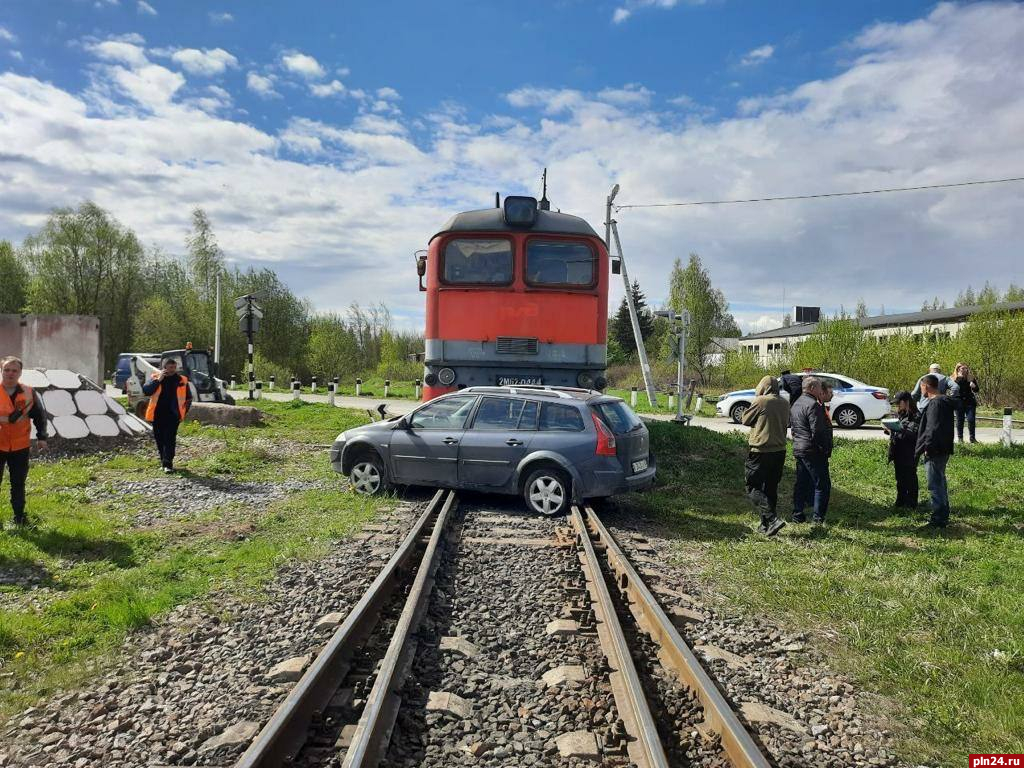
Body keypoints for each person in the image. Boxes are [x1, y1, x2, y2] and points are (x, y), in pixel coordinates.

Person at [0, 356, 48, 529]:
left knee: (18, 483)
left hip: (20, 445)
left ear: (20, 373)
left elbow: (39, 415)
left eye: (14, 370)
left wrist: (42, 437)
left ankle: (19, 517)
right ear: (1, 371)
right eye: (7, 369)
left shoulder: (29, 392)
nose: (10, 373)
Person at [741, 375, 789, 536]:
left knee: (752, 486)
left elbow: (745, 420)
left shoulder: (761, 401)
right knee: (770, 488)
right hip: (780, 451)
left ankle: (772, 519)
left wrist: (757, 398)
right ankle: (766, 525)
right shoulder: (784, 402)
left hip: (761, 451)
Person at [915, 374, 957, 528]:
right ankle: (943, 514)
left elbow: (932, 428)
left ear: (926, 386)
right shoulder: (945, 402)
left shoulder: (935, 403)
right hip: (944, 448)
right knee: (940, 481)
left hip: (935, 450)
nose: (921, 391)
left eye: (921, 387)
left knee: (935, 484)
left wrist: (927, 447)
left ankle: (938, 519)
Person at [791, 376, 832, 525]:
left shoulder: (796, 403)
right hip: (812, 450)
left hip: (799, 449)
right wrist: (824, 448)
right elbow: (818, 431)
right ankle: (818, 518)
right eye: (820, 388)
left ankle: (797, 514)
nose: (822, 391)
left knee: (801, 483)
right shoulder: (813, 405)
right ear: (813, 388)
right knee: (822, 485)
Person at [141, 357, 192, 473]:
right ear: (164, 368)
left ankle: (168, 464)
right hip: (157, 415)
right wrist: (159, 379)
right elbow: (146, 391)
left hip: (173, 415)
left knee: (169, 439)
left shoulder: (182, 380)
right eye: (170, 367)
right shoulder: (155, 377)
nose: (173, 370)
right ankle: (163, 461)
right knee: (160, 439)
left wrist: (183, 411)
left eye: (174, 367)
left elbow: (188, 398)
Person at [884, 391, 921, 508]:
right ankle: (900, 500)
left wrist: (896, 430)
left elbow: (912, 434)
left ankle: (911, 503)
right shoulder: (901, 413)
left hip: (909, 451)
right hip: (898, 450)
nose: (897, 406)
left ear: (906, 402)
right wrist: (890, 430)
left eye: (898, 403)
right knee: (900, 478)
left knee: (910, 477)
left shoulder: (916, 416)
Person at [953, 362, 979, 443]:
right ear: (958, 369)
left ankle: (972, 438)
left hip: (969, 402)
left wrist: (974, 386)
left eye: (966, 368)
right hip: (959, 401)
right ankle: (960, 439)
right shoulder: (954, 378)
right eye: (963, 368)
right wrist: (960, 378)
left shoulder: (970, 377)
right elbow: (955, 388)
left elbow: (977, 390)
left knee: (971, 419)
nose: (965, 370)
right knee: (960, 420)